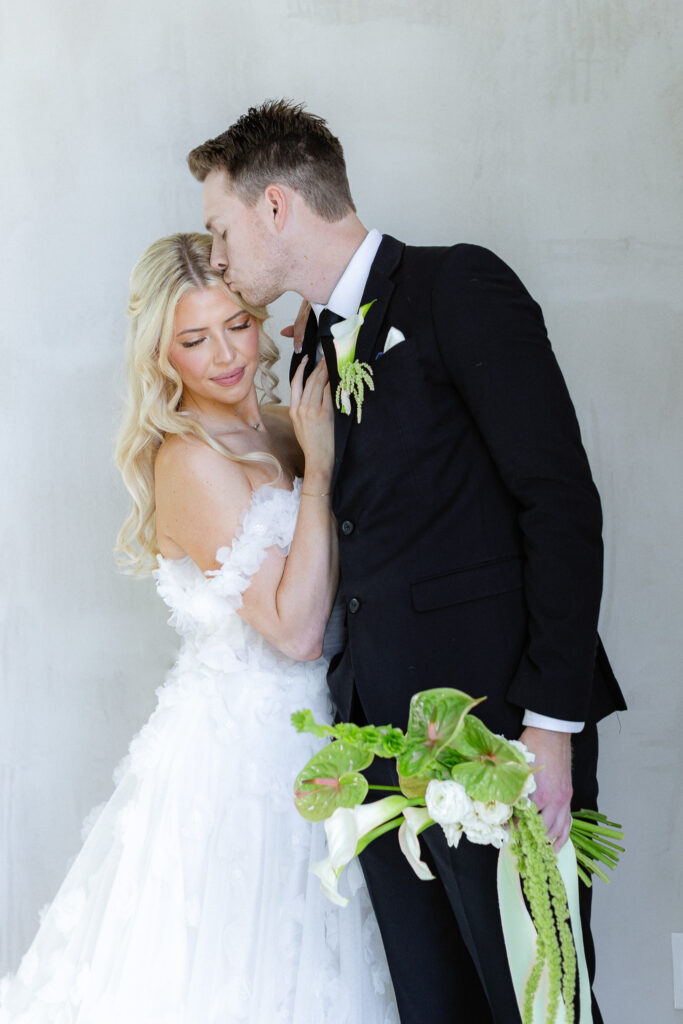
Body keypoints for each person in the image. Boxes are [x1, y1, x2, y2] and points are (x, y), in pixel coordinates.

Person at [187, 101, 627, 1024]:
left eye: (219, 229)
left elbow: (559, 503)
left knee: (537, 1005)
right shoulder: (307, 348)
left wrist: (549, 724)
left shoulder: (456, 288)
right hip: (380, 755)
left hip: (499, 733)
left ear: (275, 207)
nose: (216, 256)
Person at [0, 233, 397, 1024]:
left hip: (342, 741)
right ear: (160, 356)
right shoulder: (187, 460)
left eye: (236, 325)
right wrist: (319, 475)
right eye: (192, 339)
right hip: (245, 763)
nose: (224, 354)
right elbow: (293, 630)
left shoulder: (292, 424)